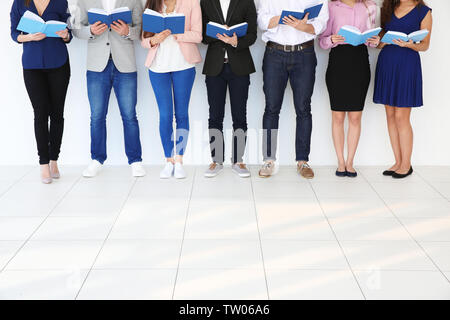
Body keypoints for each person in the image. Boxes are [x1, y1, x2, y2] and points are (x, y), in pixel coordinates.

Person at [73, 0, 146, 178]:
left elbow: (142, 30)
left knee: (129, 115)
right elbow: (75, 29)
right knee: (97, 116)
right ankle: (97, 159)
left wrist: (127, 31)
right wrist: (90, 31)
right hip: (97, 65)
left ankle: (135, 161)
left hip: (125, 64)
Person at [256, 0, 329, 179]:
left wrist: (303, 27)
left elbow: (321, 22)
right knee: (271, 108)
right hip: (274, 53)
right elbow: (261, 21)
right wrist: (280, 20)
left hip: (304, 54)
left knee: (303, 108)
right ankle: (268, 160)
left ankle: (303, 161)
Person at [10, 0, 72, 184]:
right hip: (32, 65)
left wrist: (65, 35)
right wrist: (29, 37)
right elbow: (14, 34)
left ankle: (54, 160)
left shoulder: (61, 1)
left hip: (59, 63)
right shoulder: (20, 2)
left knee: (57, 114)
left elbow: (69, 34)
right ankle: (43, 163)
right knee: (40, 114)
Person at [141, 0, 202, 179]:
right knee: (165, 115)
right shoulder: (152, 4)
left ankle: (179, 159)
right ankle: (169, 160)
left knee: (181, 114)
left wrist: (177, 34)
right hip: (158, 67)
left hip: (183, 66)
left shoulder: (191, 3)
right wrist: (154, 40)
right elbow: (143, 39)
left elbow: (198, 36)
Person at [319, 0, 380, 178]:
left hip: (360, 61)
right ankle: (340, 162)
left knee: (355, 116)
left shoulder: (370, 6)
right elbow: (322, 41)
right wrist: (331, 39)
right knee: (337, 115)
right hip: (338, 61)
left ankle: (350, 162)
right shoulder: (331, 6)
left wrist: (374, 41)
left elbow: (372, 41)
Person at [374, 0, 432, 179]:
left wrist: (408, 44)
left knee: (401, 117)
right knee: (390, 115)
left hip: (407, 64)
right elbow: (382, 40)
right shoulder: (389, 7)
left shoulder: (424, 11)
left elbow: (425, 45)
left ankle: (406, 164)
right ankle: (398, 162)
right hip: (387, 62)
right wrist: (379, 41)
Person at [200, 0, 257, 178]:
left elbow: (252, 35)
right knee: (215, 116)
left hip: (239, 66)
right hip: (214, 67)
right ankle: (216, 160)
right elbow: (203, 35)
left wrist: (235, 41)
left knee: (240, 116)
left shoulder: (246, 1)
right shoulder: (206, 2)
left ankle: (238, 160)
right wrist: (218, 34)